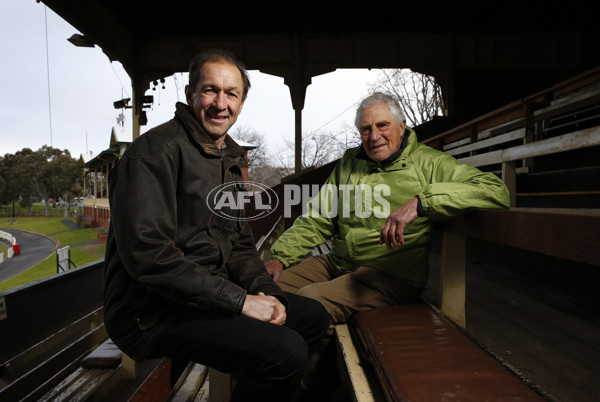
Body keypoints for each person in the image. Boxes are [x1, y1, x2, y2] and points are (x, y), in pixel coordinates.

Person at [103, 49, 330, 402]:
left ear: (242, 103)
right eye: (210, 90)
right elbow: (150, 257)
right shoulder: (152, 154)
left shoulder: (228, 158)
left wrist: (266, 293)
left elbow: (240, 244)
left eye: (231, 93)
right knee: (286, 353)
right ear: (190, 94)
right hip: (151, 313)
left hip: (204, 297)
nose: (220, 103)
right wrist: (241, 302)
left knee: (312, 317)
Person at [265, 92, 511, 392]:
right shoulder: (350, 163)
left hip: (388, 274)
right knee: (264, 291)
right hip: (339, 262)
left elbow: (495, 190)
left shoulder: (428, 163)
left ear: (402, 126)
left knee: (310, 302)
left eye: (383, 125)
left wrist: (422, 202)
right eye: (365, 129)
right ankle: (261, 381)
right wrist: (280, 256)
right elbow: (319, 217)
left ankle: (312, 391)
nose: (374, 136)